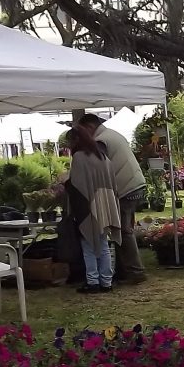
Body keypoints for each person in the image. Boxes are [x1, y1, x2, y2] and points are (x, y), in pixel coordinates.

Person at [76, 113, 147, 283]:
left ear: (89, 127)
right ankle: (125, 271)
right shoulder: (112, 134)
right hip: (135, 183)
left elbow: (97, 167)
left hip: (125, 187)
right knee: (124, 230)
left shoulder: (101, 140)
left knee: (123, 231)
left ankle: (135, 272)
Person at [67, 125, 123, 294]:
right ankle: (106, 281)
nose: (68, 145)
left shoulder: (79, 157)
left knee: (88, 244)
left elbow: (77, 185)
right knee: (104, 243)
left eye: (69, 141)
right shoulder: (102, 157)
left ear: (76, 140)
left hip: (89, 204)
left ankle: (93, 281)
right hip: (105, 203)